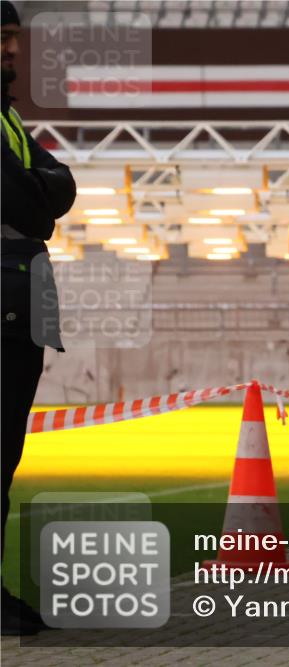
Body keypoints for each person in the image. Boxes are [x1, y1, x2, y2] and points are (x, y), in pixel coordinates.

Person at [1, 0, 75, 636]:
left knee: (3, 459)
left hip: (16, 305)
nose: (14, 51)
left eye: (14, 39)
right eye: (2, 38)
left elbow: (60, 183)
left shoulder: (8, 117)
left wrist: (38, 192)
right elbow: (29, 203)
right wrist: (39, 195)